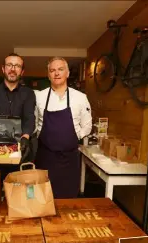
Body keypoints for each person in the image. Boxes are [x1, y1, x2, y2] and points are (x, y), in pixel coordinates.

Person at [34, 57, 92, 199]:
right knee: (43, 199)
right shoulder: (39, 97)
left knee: (68, 201)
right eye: (52, 70)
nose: (56, 73)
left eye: (60, 69)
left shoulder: (80, 97)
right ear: (48, 75)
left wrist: (74, 136)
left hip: (69, 160)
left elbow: (87, 125)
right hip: (45, 158)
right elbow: (35, 124)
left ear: (67, 73)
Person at [0, 53, 36, 180]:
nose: (13, 69)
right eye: (9, 65)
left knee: (18, 191)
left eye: (17, 66)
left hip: (20, 150)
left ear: (22, 71)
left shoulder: (28, 93)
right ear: (3, 69)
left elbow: (29, 117)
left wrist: (26, 136)